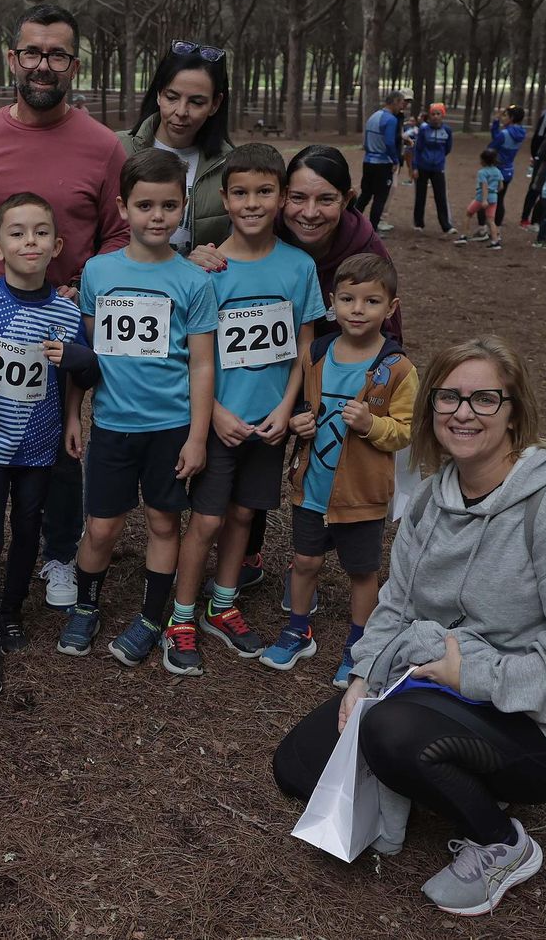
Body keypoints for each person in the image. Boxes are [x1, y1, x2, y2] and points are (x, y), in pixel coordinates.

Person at [272, 335, 546, 917]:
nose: (463, 412)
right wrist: (365, 675)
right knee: (298, 764)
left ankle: (503, 844)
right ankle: (439, 767)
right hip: (436, 679)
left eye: (484, 399)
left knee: (389, 737)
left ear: (514, 411)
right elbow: (395, 602)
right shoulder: (432, 496)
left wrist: (469, 673)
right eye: (448, 398)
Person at [0, 2, 131, 612]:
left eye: (57, 55)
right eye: (33, 53)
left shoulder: (102, 147)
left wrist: (84, 284)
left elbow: (120, 235)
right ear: (13, 59)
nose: (44, 65)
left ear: (74, 65)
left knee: (60, 444)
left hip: (57, 328)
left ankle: (59, 554)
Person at [193, 145, 405, 594]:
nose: (309, 212)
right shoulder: (238, 252)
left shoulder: (361, 252)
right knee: (214, 509)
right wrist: (192, 262)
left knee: (298, 470)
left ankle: (311, 556)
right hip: (242, 391)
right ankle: (215, 581)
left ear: (347, 200)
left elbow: (381, 337)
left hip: (323, 378)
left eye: (325, 200)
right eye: (300, 199)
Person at [167, 144, 323, 676]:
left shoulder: (300, 267)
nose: (252, 203)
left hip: (269, 424)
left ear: (281, 198)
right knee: (206, 518)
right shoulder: (208, 270)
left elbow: (303, 349)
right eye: (240, 193)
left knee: (242, 514)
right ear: (223, 198)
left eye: (264, 192)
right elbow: (195, 357)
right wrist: (212, 415)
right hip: (219, 420)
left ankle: (223, 602)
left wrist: (286, 408)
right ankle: (182, 616)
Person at [62, 149, 217, 664]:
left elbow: (200, 365)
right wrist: (73, 413)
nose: (157, 217)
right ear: (123, 208)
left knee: (163, 522)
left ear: (184, 207)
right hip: (112, 425)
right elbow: (86, 357)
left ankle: (152, 616)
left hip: (170, 427)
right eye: (145, 205)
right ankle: (85, 606)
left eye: (169, 206)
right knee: (102, 526)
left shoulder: (194, 282)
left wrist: (197, 436)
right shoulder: (98, 273)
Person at [0, 192, 99, 695]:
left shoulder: (64, 307)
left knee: (27, 534)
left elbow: (92, 368)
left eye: (40, 232)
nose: (29, 241)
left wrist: (74, 357)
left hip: (39, 448)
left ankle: (10, 611)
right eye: (17, 233)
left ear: (57, 244)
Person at [268, 253, 415, 686]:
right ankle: (297, 629)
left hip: (361, 494)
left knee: (361, 571)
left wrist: (373, 425)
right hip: (312, 485)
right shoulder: (316, 353)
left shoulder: (398, 369)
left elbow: (405, 432)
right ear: (332, 302)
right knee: (304, 560)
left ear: (390, 308)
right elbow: (300, 401)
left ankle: (359, 647)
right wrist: (298, 421)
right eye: (348, 299)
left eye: (371, 301)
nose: (357, 309)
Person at [115, 39, 234, 256]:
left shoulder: (230, 165)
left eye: (196, 102)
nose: (181, 111)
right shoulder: (115, 149)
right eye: (172, 97)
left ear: (215, 104)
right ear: (159, 94)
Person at [353, 89, 409, 233]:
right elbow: (390, 143)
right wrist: (395, 160)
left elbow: (365, 141)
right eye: (402, 103)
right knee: (380, 197)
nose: (402, 107)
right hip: (382, 164)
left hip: (368, 162)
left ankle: (351, 222)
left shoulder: (374, 116)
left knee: (365, 194)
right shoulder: (391, 120)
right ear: (395, 102)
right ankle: (372, 230)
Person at [411, 103, 457, 235]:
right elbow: (417, 149)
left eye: (438, 114)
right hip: (422, 167)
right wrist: (415, 167)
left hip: (438, 168)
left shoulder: (447, 131)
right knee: (420, 195)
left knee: (441, 196)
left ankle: (446, 225)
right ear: (429, 115)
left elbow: (447, 148)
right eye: (433, 114)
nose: (435, 117)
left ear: (443, 115)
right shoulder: (424, 130)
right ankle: (418, 223)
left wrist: (439, 159)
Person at [485, 106, 527, 228]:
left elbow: (491, 147)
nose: (503, 117)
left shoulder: (504, 133)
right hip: (508, 170)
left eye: (505, 115)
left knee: (489, 198)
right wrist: (496, 123)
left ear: (512, 118)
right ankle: (497, 226)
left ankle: (486, 226)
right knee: (500, 198)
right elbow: (499, 138)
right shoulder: (520, 133)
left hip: (497, 169)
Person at [457, 148, 503, 250]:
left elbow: (484, 186)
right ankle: (495, 242)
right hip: (494, 197)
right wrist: (494, 193)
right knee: (491, 220)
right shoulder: (498, 171)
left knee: (468, 213)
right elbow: (501, 187)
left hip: (481, 197)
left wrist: (484, 199)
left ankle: (463, 236)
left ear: (483, 160)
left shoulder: (482, 172)